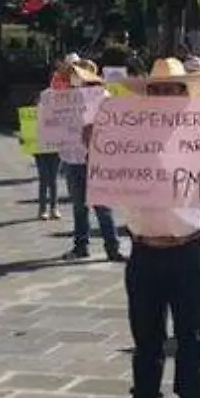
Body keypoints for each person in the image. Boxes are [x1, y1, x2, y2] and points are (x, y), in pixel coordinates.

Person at [106, 58, 200, 398]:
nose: (164, 96)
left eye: (173, 90)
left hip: (188, 250)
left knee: (190, 339)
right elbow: (108, 190)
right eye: (158, 90)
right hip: (144, 250)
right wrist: (99, 148)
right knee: (145, 340)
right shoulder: (130, 137)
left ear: (185, 96)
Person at [57, 61, 121, 262]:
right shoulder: (65, 98)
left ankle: (112, 247)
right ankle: (81, 246)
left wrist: (95, 129)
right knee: (79, 205)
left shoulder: (103, 97)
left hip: (96, 158)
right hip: (73, 157)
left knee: (102, 206)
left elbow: (114, 125)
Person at [33, 62, 69, 221]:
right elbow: (32, 117)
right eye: (55, 78)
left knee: (53, 178)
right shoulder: (44, 95)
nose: (58, 81)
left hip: (56, 142)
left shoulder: (67, 99)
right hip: (40, 142)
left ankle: (54, 207)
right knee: (43, 177)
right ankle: (42, 209)